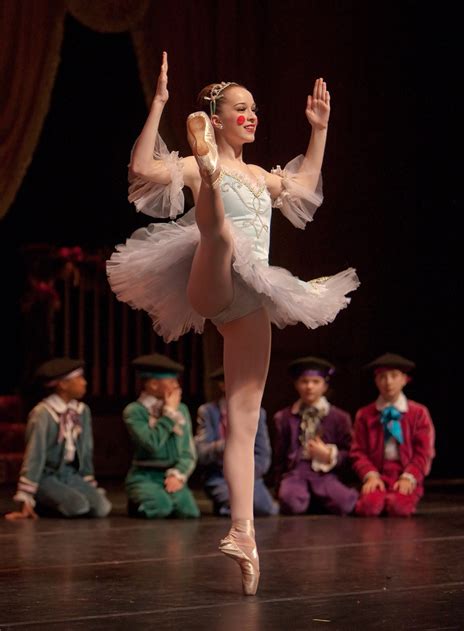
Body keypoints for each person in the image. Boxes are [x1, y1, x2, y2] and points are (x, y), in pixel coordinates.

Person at [107, 52, 359, 594]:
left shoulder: (264, 177)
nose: (251, 116)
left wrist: (319, 130)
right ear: (214, 120)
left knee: (245, 419)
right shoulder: (204, 165)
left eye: (254, 110)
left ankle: (242, 534)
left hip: (252, 296)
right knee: (218, 236)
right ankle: (212, 192)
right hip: (209, 280)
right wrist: (157, 107)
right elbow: (143, 171)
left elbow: (307, 183)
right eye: (239, 110)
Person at [5, 358, 111, 520]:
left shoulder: (81, 411)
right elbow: (35, 454)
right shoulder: (43, 413)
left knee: (102, 507)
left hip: (69, 474)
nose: (84, 383)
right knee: (78, 506)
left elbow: (86, 450)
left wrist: (87, 481)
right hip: (46, 476)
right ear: (63, 385)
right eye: (79, 379)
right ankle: (41, 501)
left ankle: (63, 497)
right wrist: (26, 495)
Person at [350, 353, 436, 517]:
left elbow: (424, 451)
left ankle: (397, 496)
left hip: (404, 471)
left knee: (399, 508)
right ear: (376, 381)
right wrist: (370, 475)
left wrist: (409, 476)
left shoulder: (418, 413)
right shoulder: (365, 414)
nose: (388, 382)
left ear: (404, 379)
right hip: (378, 472)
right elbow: (357, 451)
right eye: (382, 377)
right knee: (368, 508)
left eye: (394, 376)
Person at [273, 356, 358, 516]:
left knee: (347, 504)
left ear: (325, 386)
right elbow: (279, 455)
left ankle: (315, 498)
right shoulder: (284, 417)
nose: (309, 387)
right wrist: (278, 486)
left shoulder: (339, 417)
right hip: (296, 472)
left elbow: (350, 453)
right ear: (296, 384)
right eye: (304, 381)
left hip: (324, 473)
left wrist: (329, 454)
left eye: (315, 382)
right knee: (291, 503)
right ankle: (306, 497)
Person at [123, 353, 200, 519]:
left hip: (170, 473)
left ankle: (164, 495)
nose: (177, 386)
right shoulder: (135, 411)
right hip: (145, 475)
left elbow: (188, 451)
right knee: (161, 507)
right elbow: (151, 443)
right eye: (171, 382)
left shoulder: (182, 410)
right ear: (153, 384)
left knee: (189, 512)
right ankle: (138, 501)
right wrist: (168, 415)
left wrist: (178, 474)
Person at [195, 366, 279, 517]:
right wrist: (226, 445)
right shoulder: (208, 411)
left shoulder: (257, 413)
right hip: (219, 475)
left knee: (265, 509)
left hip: (249, 475)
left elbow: (263, 455)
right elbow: (201, 451)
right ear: (222, 385)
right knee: (237, 507)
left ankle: (229, 507)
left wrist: (247, 475)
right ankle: (226, 506)